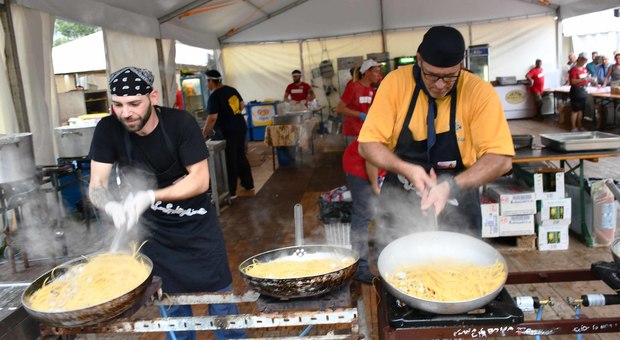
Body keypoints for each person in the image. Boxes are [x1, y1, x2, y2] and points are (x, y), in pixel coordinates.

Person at [88, 66, 244, 340]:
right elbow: (97, 185)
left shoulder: (180, 123)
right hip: (156, 236)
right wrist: (110, 205)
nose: (126, 113)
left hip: (197, 228)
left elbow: (200, 181)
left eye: (135, 103)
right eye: (118, 105)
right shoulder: (108, 129)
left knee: (222, 306)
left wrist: (150, 196)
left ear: (153, 96)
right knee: (172, 310)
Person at [357, 26, 514, 253]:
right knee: (398, 270)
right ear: (419, 60)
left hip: (459, 195)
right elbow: (367, 145)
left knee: (461, 271)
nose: (440, 85)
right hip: (401, 196)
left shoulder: (479, 92)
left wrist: (451, 186)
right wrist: (406, 169)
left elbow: (501, 159)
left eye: (450, 76)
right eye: (432, 75)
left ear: (461, 65)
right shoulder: (394, 84)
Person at [202, 69, 254, 199]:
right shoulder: (232, 90)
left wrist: (204, 134)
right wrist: (231, 114)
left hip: (228, 129)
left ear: (210, 81)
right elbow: (241, 105)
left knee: (230, 159)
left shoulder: (214, 96)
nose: (206, 85)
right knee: (240, 155)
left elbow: (212, 118)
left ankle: (231, 192)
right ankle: (249, 184)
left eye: (207, 82)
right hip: (240, 125)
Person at [342, 138, 385, 284]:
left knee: (385, 212)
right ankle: (360, 267)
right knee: (364, 212)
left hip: (382, 167)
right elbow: (371, 157)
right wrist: (375, 185)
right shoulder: (386, 122)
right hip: (359, 165)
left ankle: (383, 260)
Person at [336, 59, 382, 145]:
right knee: (355, 157)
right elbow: (339, 108)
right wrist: (359, 114)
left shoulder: (371, 90)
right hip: (353, 132)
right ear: (367, 73)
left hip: (365, 131)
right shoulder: (353, 87)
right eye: (376, 72)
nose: (378, 75)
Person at [568, 53, 590, 132]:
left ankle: (580, 125)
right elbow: (573, 81)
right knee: (575, 110)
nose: (584, 61)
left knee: (581, 110)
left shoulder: (584, 69)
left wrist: (589, 80)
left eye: (586, 60)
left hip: (583, 90)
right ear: (579, 59)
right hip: (576, 90)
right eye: (583, 59)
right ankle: (573, 127)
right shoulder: (574, 69)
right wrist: (583, 79)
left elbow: (586, 78)